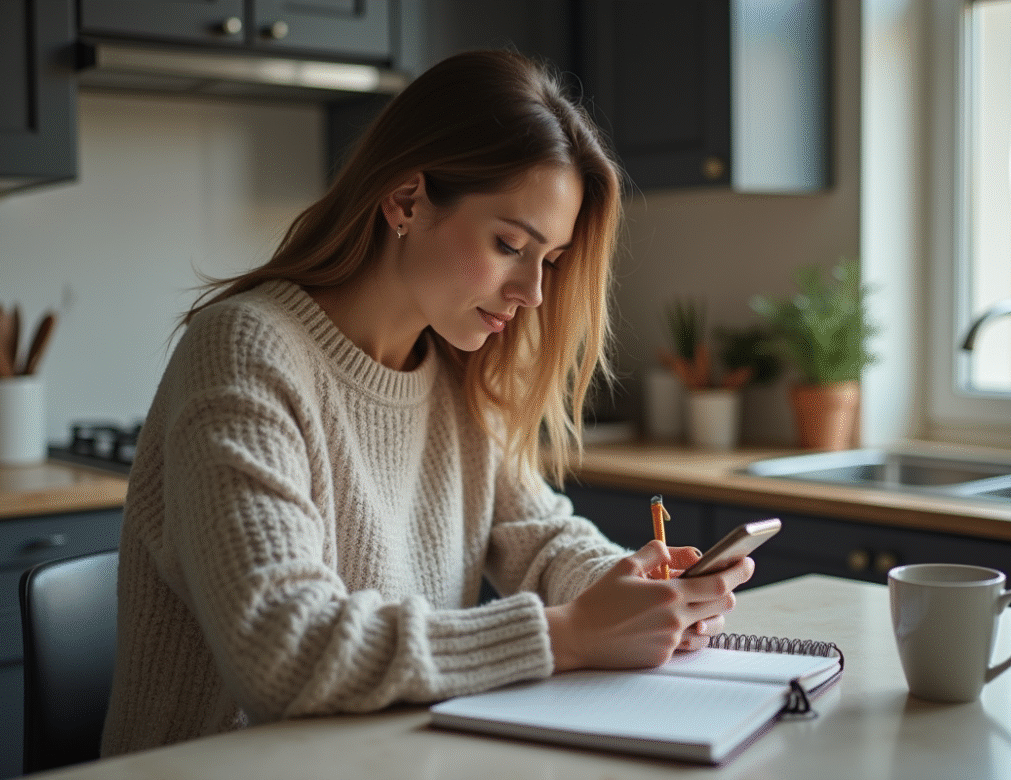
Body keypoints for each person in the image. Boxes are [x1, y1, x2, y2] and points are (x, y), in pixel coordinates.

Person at [100, 50, 754, 757]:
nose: (533, 292)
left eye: (550, 261)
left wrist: (639, 593)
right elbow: (284, 651)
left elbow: (540, 538)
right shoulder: (245, 349)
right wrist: (570, 634)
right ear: (406, 201)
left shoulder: (460, 369)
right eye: (510, 244)